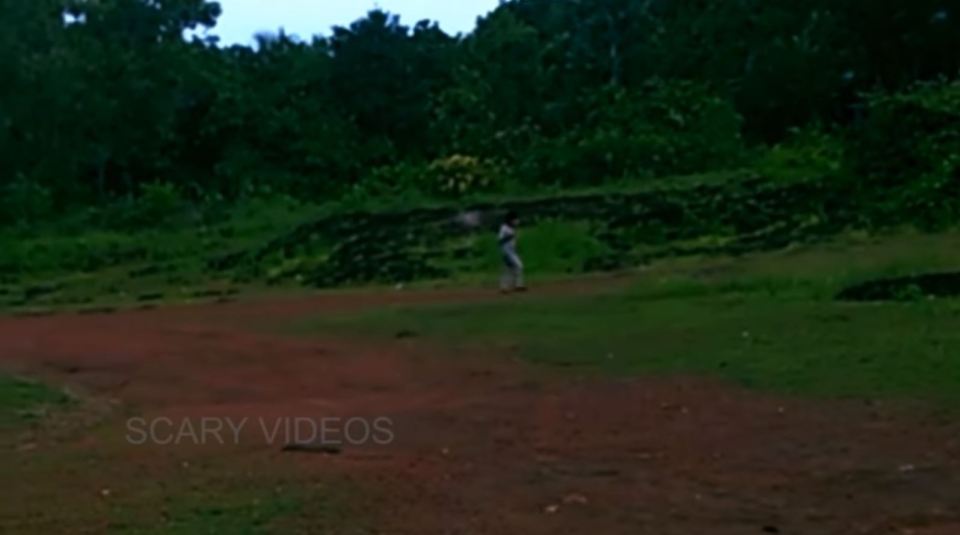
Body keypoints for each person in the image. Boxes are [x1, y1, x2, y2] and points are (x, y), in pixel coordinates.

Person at [498, 211, 526, 293]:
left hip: (512, 251)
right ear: (510, 220)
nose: (517, 221)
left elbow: (514, 242)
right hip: (507, 251)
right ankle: (518, 285)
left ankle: (504, 287)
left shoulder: (513, 228)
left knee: (508, 269)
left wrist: (517, 249)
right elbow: (500, 241)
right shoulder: (504, 228)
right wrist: (511, 236)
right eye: (515, 219)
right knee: (519, 266)